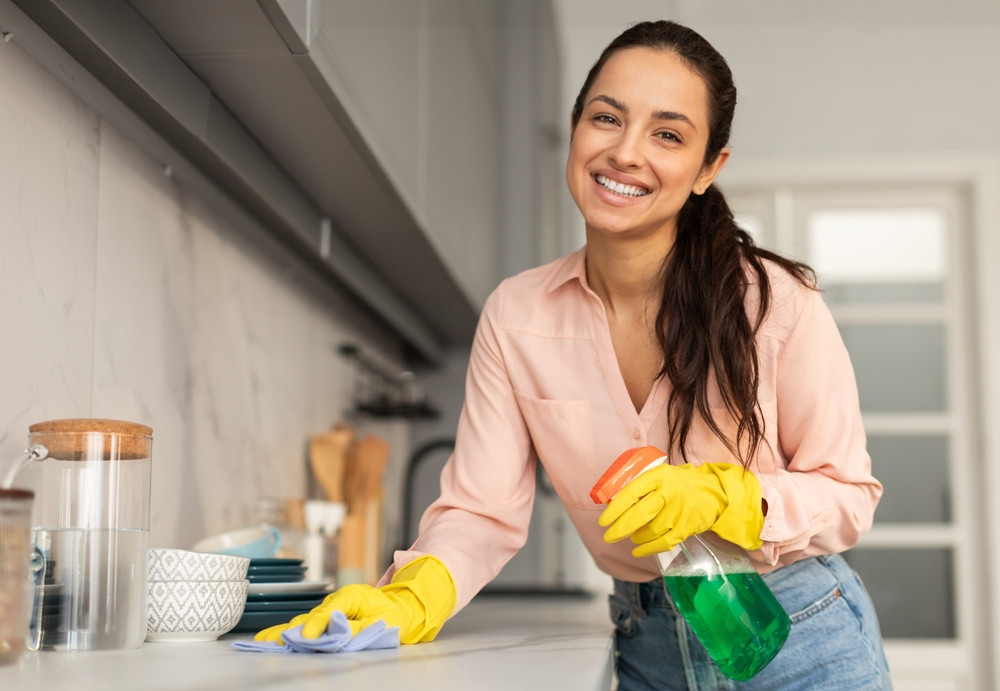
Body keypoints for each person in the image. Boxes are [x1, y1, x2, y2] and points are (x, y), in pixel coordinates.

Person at [258, 20, 892, 690]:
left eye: (668, 134)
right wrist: (413, 595)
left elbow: (850, 495)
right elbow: (480, 510)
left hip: (801, 636)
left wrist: (721, 495)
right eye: (606, 117)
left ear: (710, 168)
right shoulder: (517, 316)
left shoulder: (777, 304)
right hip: (647, 645)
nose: (625, 152)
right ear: (575, 126)